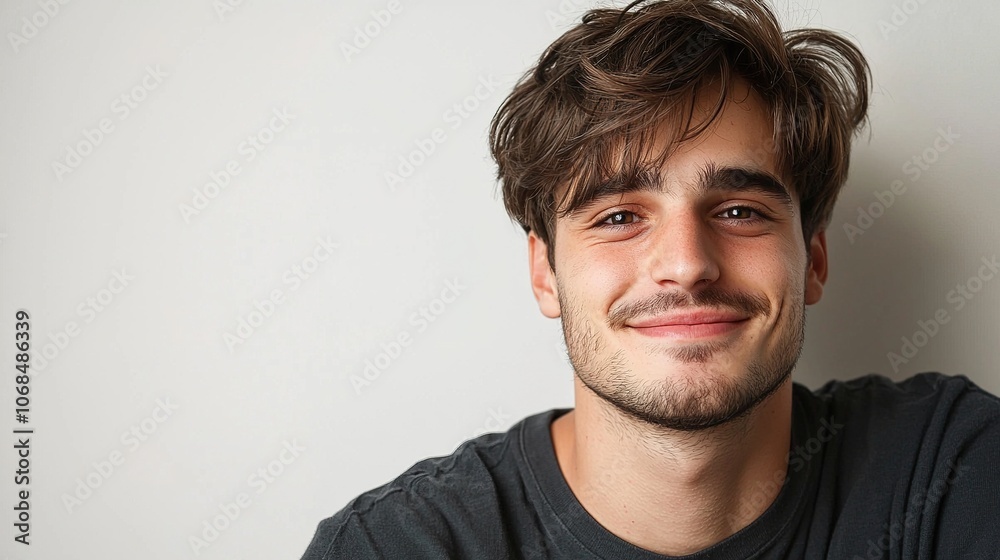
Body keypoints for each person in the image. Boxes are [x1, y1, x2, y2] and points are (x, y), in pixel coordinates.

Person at [300, 1, 1000, 558]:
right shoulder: (398, 546)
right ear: (545, 273)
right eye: (619, 217)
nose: (688, 263)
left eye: (738, 210)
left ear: (813, 258)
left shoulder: (955, 473)